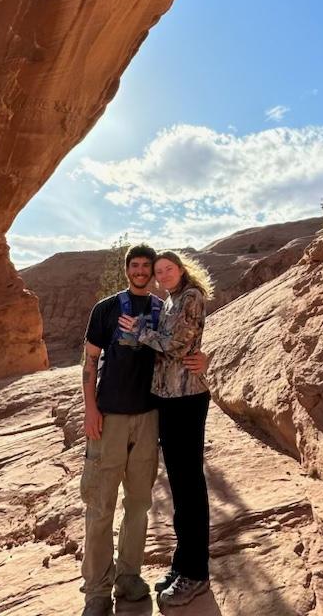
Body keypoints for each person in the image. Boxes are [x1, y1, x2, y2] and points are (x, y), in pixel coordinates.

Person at [80, 243, 208, 616]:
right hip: (111, 417)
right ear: (127, 270)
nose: (141, 271)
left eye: (146, 266)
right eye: (134, 265)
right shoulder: (105, 309)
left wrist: (204, 358)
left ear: (154, 272)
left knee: (138, 504)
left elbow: (182, 343)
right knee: (101, 506)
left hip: (150, 416)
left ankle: (130, 578)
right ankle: (97, 591)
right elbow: (89, 361)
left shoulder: (161, 308)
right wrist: (89, 408)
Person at [118, 250, 212, 608]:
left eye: (168, 268)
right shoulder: (172, 300)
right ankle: (182, 564)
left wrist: (139, 330)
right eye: (159, 271)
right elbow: (181, 345)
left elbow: (176, 345)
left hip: (186, 401)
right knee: (180, 487)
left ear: (181, 269)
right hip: (170, 401)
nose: (163, 274)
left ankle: (196, 574)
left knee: (190, 487)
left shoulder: (190, 297)